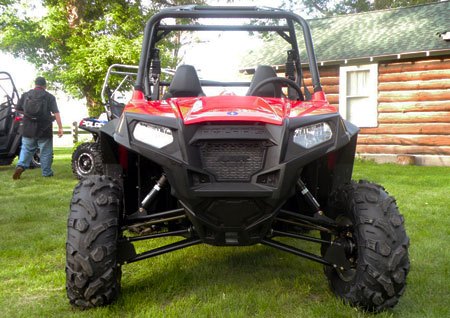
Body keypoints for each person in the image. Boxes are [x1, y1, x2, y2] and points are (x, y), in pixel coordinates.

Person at [12, 76, 63, 179]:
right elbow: (56, 113)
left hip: (28, 128)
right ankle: (46, 173)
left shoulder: (25, 95)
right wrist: (60, 127)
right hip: (44, 128)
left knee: (26, 149)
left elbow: (18, 109)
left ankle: (21, 166)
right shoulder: (49, 97)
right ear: (45, 85)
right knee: (45, 151)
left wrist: (28, 115)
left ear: (35, 84)